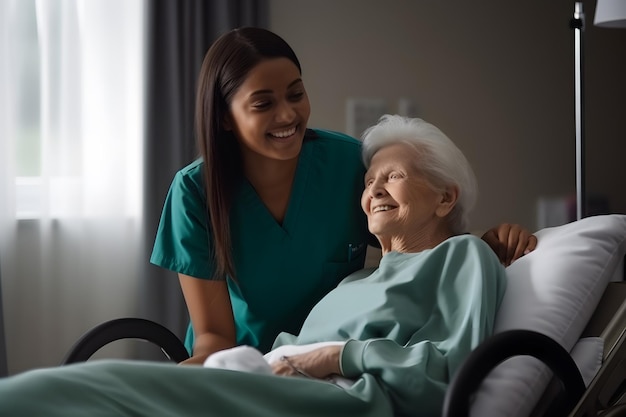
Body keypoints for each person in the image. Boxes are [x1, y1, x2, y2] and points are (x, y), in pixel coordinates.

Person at [0, 115, 507, 417]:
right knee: (101, 393)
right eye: (369, 181)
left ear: (445, 198)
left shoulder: (463, 256)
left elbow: (453, 370)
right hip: (264, 378)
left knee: (95, 390)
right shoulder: (358, 277)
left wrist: (334, 357)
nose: (372, 190)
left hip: (334, 400)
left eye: (392, 177)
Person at [148, 26, 535, 365]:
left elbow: (418, 251)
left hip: (331, 360)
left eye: (296, 94)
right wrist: (216, 381)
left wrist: (486, 244)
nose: (287, 115)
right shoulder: (196, 191)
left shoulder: (349, 165)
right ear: (223, 117)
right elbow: (215, 337)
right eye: (264, 104)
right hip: (247, 361)